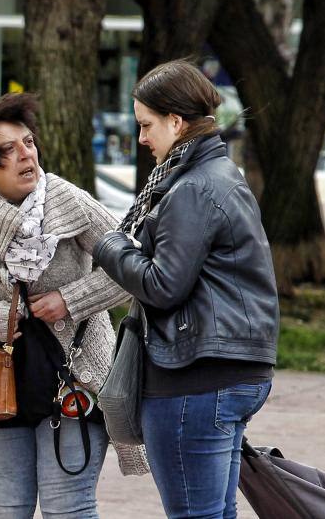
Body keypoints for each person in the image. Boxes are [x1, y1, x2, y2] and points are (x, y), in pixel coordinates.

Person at [0, 93, 148, 518]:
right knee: (4, 509)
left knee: (68, 509)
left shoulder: (66, 199)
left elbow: (132, 268)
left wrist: (71, 300)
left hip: (76, 375)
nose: (27, 156)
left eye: (29, 143)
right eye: (9, 149)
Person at [93, 59, 279, 518]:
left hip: (195, 378)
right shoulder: (222, 173)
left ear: (176, 122)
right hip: (232, 371)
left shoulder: (192, 188)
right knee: (215, 513)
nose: (141, 139)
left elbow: (162, 286)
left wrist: (111, 247)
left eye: (146, 125)